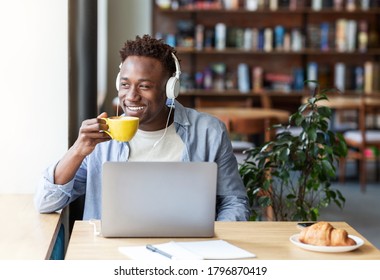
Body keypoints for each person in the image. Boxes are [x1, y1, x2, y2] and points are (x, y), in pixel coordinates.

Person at [34, 34, 250, 221]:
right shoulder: (100, 137)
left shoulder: (208, 133)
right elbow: (46, 202)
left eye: (144, 86)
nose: (131, 96)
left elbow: (234, 202)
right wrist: (78, 150)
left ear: (170, 89)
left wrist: (213, 244)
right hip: (111, 254)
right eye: (125, 84)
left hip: (186, 254)